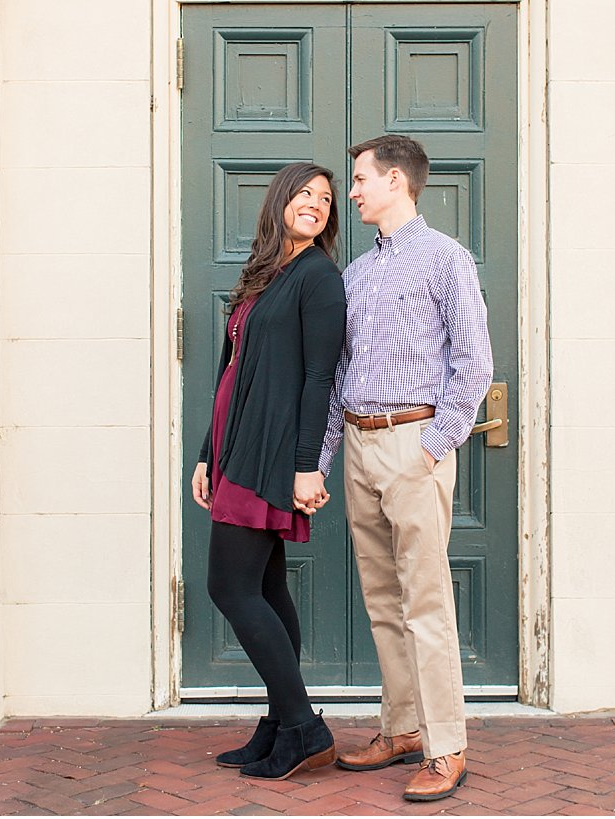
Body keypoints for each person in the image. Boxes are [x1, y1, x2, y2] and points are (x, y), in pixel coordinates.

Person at [318, 134, 493, 804]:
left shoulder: (446, 259)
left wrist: (436, 444)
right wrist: (328, 459)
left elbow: (474, 361)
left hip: (415, 442)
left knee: (425, 600)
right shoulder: (354, 275)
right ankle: (402, 728)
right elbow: (339, 377)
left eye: (360, 179)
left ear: (396, 180)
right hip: (361, 445)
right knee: (382, 598)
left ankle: (447, 745)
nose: (352, 191)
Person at [191, 162, 345, 779]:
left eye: (327, 200)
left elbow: (318, 378)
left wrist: (307, 467)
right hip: (236, 446)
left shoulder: (318, 277)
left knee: (229, 587)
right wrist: (207, 451)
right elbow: (231, 372)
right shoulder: (260, 276)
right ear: (280, 200)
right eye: (305, 194)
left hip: (272, 450)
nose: (316, 204)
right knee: (267, 587)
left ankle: (304, 726)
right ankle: (281, 723)